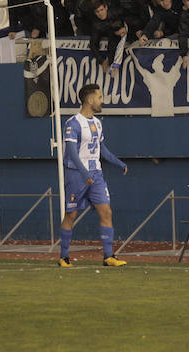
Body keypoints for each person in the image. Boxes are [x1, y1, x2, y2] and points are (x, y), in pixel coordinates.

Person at [58, 84, 129, 268]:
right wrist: (84, 173)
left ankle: (108, 256)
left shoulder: (97, 123)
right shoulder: (73, 123)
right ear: (90, 100)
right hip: (76, 175)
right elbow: (72, 153)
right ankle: (64, 257)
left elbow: (101, 149)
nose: (102, 101)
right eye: (99, 97)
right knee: (71, 215)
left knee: (106, 212)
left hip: (96, 175)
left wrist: (119, 163)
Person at [89, 0, 127, 72]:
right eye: (97, 12)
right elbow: (93, 44)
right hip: (113, 47)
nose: (100, 13)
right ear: (95, 13)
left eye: (102, 10)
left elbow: (133, 19)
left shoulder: (117, 12)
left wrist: (125, 28)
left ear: (106, 8)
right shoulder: (96, 25)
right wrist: (102, 60)